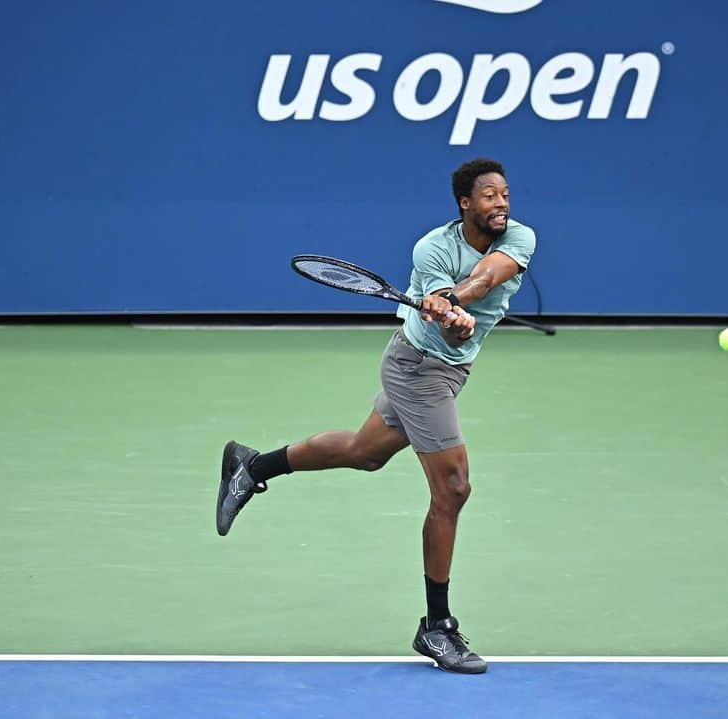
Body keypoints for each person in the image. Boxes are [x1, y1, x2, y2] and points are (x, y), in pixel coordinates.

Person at [216, 158, 536, 674]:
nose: (501, 204)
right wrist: (449, 318)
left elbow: (487, 278)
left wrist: (455, 303)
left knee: (365, 454)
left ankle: (253, 467)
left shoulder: (519, 237)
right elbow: (453, 332)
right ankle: (436, 628)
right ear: (464, 204)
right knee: (453, 488)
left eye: (504, 194)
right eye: (489, 196)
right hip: (417, 369)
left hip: (453, 369)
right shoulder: (432, 249)